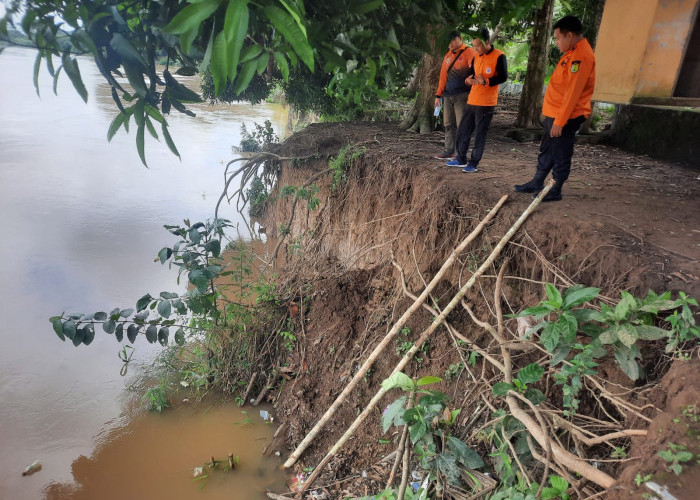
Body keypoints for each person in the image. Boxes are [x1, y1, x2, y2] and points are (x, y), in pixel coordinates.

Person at [514, 15, 596, 202]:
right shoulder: (571, 52)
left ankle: (555, 188)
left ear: (569, 35)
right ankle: (538, 181)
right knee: (547, 148)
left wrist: (560, 121)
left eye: (558, 38)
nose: (556, 42)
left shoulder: (581, 56)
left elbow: (573, 93)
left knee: (561, 151)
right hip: (555, 113)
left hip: (567, 115)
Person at [446, 27, 507, 173]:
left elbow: (503, 77)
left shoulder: (499, 56)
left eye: (478, 45)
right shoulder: (476, 57)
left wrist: (486, 81)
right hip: (472, 100)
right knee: (463, 130)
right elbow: (471, 74)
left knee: (480, 134)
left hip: (486, 103)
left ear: (487, 42)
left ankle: (473, 163)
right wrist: (468, 80)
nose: (476, 48)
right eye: (474, 46)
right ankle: (461, 158)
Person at [434, 31, 476, 160]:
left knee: (462, 124)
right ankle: (448, 150)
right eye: (448, 41)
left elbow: (475, 71)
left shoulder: (469, 52)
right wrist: (438, 95)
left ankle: (461, 154)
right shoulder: (447, 56)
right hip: (448, 95)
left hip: (462, 95)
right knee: (448, 124)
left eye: (453, 40)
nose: (450, 43)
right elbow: (443, 77)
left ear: (460, 39)